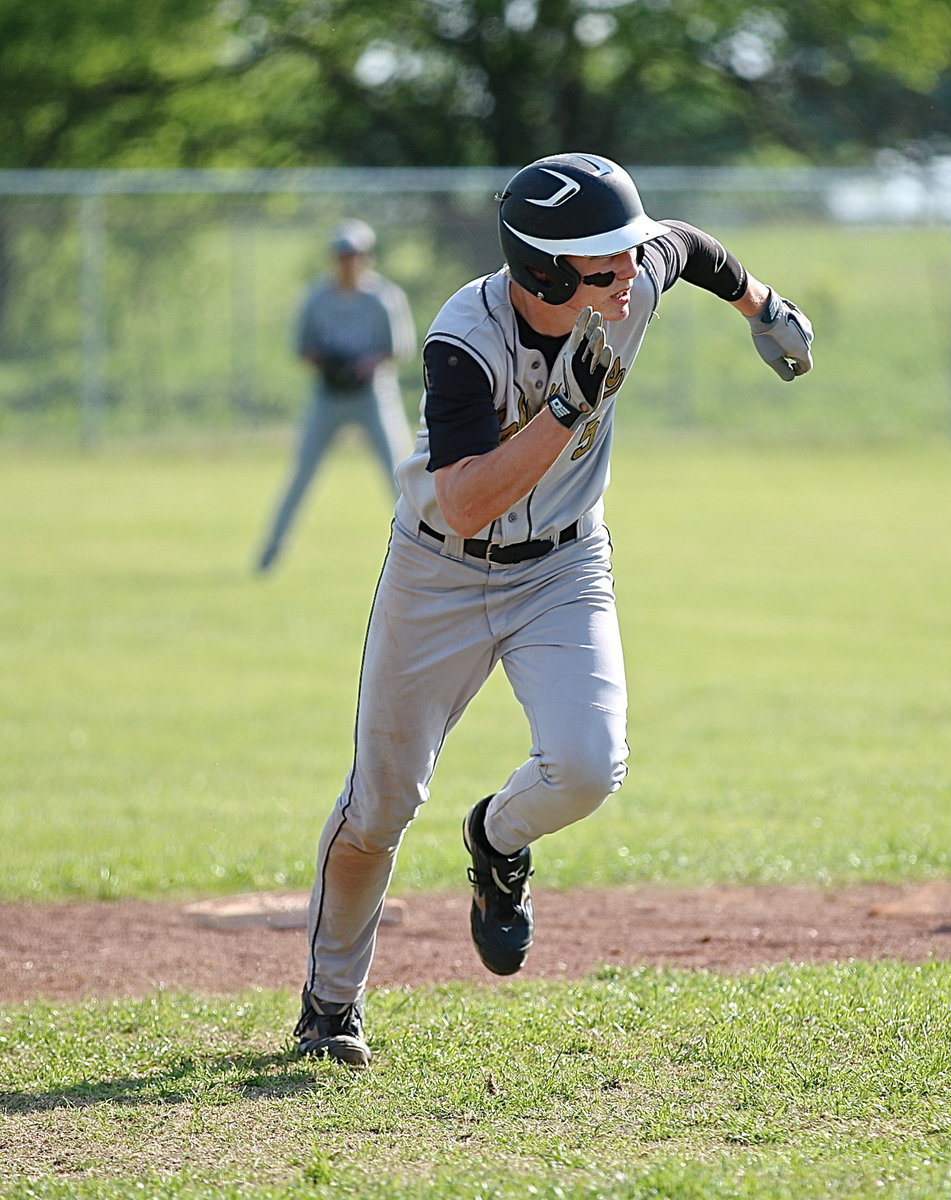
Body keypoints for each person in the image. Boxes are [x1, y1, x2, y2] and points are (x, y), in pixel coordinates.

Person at [291, 153, 814, 1066]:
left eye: (625, 257)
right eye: (605, 263)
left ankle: (496, 840)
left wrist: (762, 308)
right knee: (378, 807)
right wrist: (567, 408)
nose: (630, 268)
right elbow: (463, 503)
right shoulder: (464, 341)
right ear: (543, 272)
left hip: (564, 567)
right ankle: (331, 1005)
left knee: (586, 764)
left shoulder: (627, 279)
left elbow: (685, 246)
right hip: (439, 574)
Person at [256, 219, 416, 572]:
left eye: (356, 254)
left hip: (372, 394)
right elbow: (301, 348)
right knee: (301, 475)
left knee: (400, 474)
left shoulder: (383, 298)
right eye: (342, 254)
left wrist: (364, 364)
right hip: (328, 395)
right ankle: (270, 554)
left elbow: (399, 349)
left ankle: (423, 553)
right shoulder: (316, 297)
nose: (349, 261)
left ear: (368, 257)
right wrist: (329, 362)